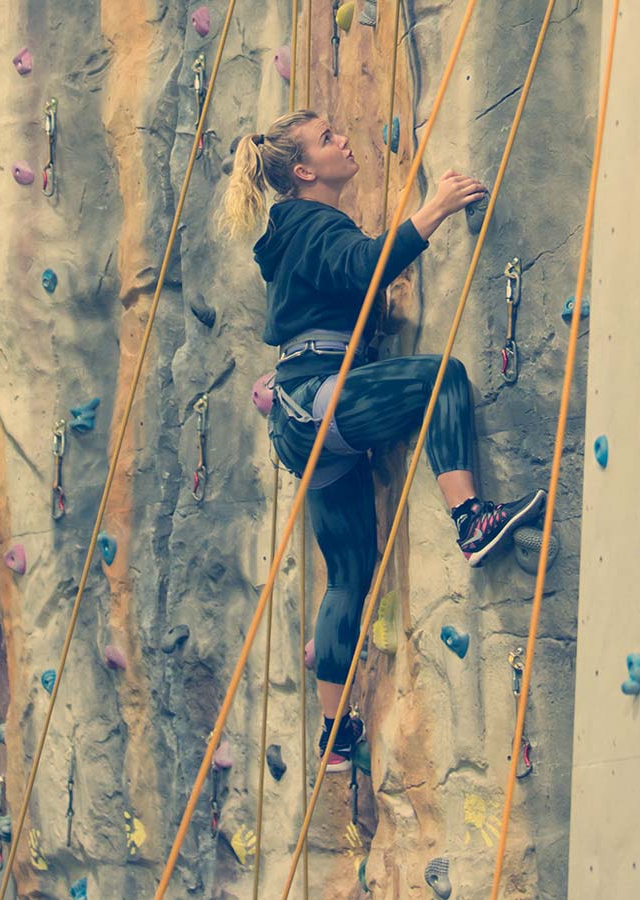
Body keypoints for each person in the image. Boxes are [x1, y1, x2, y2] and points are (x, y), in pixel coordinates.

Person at [219, 110, 546, 773]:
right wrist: (436, 209)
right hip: (320, 397)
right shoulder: (313, 223)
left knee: (349, 574)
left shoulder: (290, 232)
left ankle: (335, 738)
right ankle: (471, 519)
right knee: (441, 380)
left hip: (301, 415)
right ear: (305, 170)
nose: (344, 139)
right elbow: (365, 267)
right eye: (328, 138)